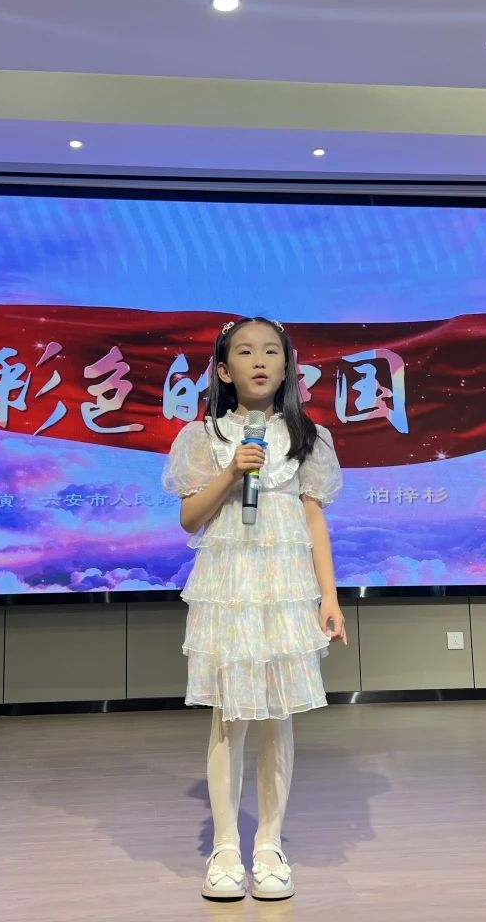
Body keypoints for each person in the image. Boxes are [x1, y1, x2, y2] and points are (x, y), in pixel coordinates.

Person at [161, 316, 346, 902]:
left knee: (278, 716)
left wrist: (329, 598)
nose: (259, 360)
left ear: (287, 367)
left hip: (283, 590)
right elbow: (190, 518)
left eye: (271, 351)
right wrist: (231, 470)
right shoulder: (203, 437)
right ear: (223, 370)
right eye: (245, 352)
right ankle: (224, 848)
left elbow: (315, 522)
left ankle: (269, 845)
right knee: (229, 718)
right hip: (230, 588)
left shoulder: (309, 437)